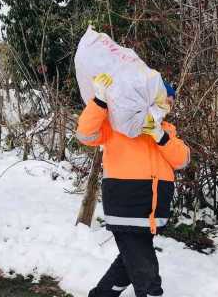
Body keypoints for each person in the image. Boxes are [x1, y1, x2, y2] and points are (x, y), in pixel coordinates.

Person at [77, 74, 191, 297]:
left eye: (171, 102)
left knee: (130, 261)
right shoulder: (118, 124)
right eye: (163, 99)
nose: (167, 105)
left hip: (151, 210)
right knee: (146, 272)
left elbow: (183, 159)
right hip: (126, 205)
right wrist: (100, 101)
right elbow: (85, 134)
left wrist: (160, 136)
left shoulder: (166, 130)